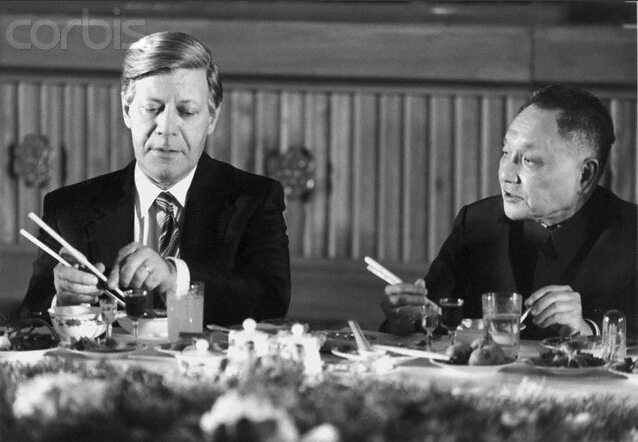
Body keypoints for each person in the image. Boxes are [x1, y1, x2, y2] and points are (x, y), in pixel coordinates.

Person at [21, 31, 291, 327]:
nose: (166, 127)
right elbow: (30, 320)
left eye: (187, 111)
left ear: (212, 118)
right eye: (152, 108)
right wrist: (62, 304)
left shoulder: (255, 198)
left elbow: (271, 300)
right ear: (127, 111)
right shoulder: (68, 208)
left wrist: (175, 277)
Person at [381, 84, 637, 340]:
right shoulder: (477, 224)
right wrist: (403, 322)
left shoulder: (631, 234)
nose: (506, 174)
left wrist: (586, 330)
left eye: (529, 160)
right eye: (506, 153)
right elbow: (428, 321)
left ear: (585, 175)